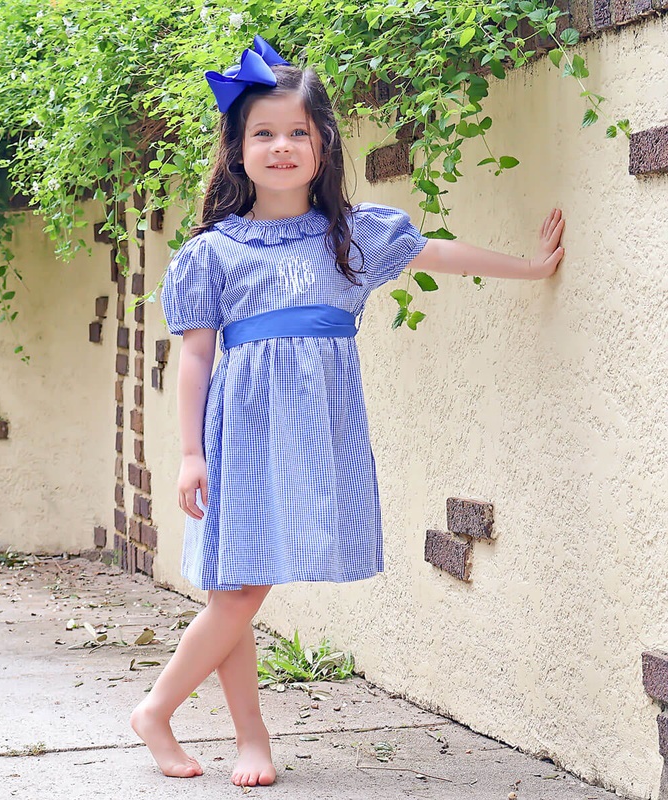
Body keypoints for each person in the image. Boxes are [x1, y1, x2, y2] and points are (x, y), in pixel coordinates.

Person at [130, 35, 565, 788]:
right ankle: (161, 712)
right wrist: (191, 453)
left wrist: (530, 268)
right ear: (237, 151)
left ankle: (246, 739)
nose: (281, 146)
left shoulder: (353, 237)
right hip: (242, 434)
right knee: (239, 590)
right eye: (263, 133)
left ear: (324, 146)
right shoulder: (214, 253)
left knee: (237, 591)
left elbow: (440, 254)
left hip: (314, 433)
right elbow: (196, 358)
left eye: (297, 132)